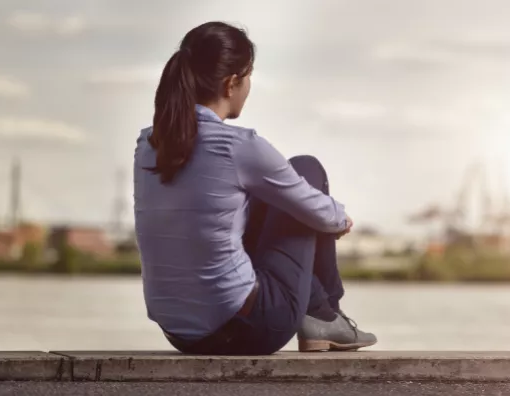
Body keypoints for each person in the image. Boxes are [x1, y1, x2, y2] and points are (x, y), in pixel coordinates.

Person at [133, 21, 377, 355]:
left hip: (178, 333)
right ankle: (326, 314)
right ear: (231, 83)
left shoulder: (148, 143)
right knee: (306, 167)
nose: (248, 86)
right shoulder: (239, 147)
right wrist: (340, 218)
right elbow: (319, 211)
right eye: (248, 77)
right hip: (248, 329)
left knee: (261, 196)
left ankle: (322, 314)